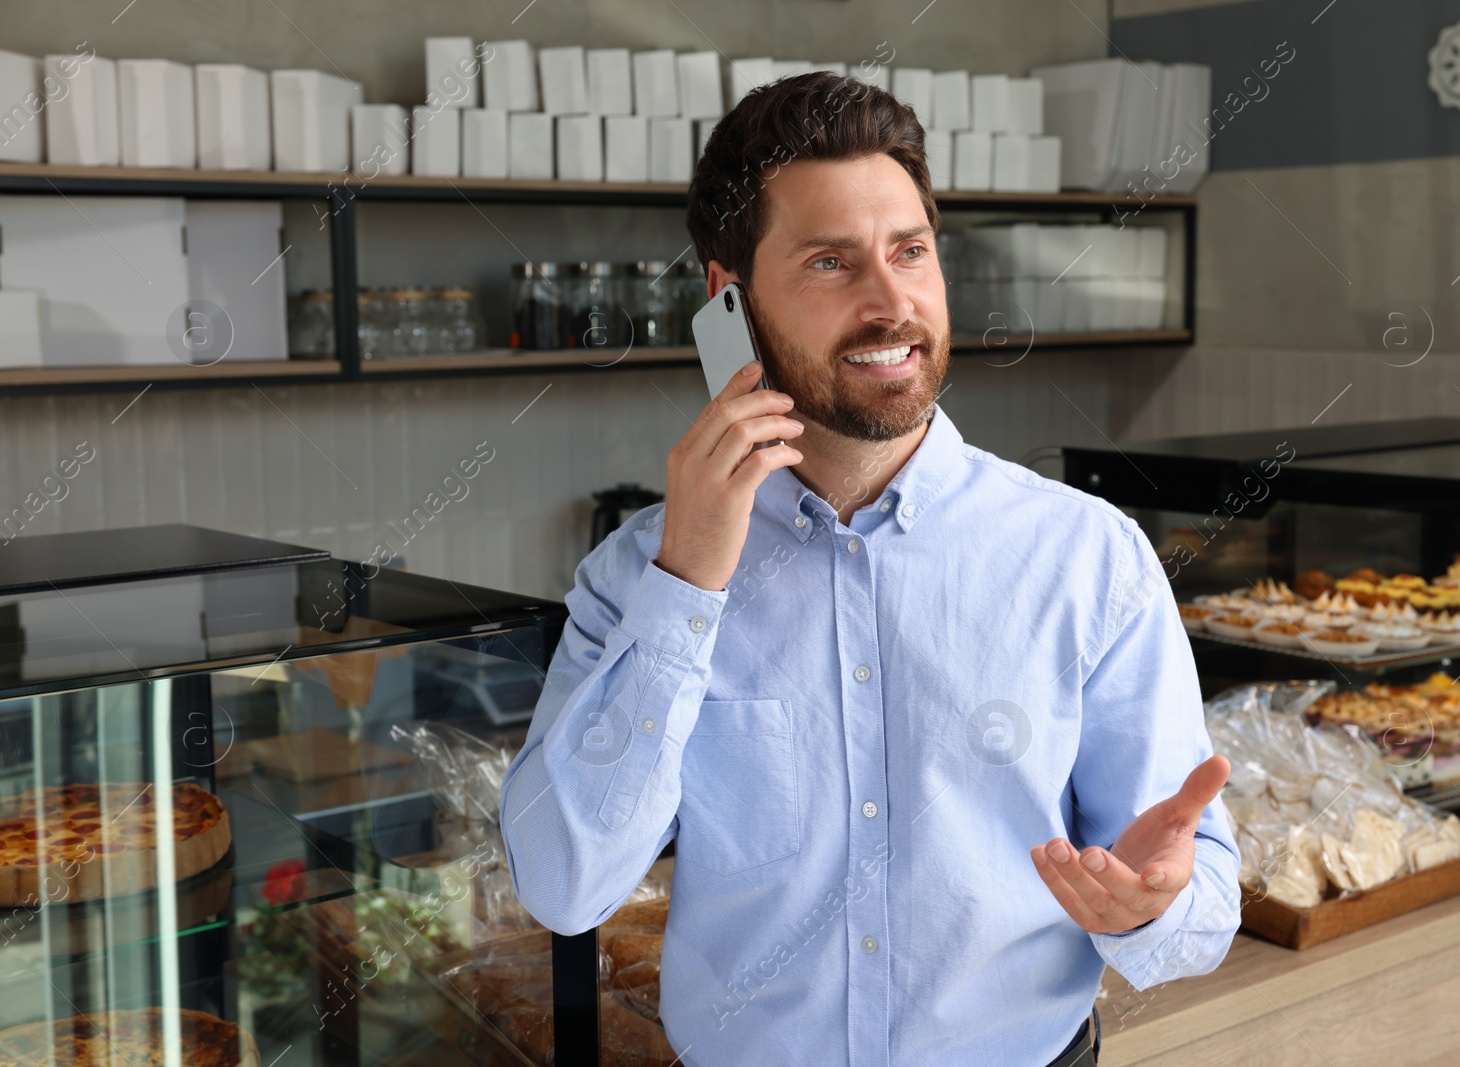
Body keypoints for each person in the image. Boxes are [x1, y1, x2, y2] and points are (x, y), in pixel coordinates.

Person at [500, 71, 1240, 1067]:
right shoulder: (637, 575)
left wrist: (1149, 906)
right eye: (829, 263)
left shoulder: (1086, 556)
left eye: (910, 252)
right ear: (731, 302)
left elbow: (1197, 920)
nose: (890, 303)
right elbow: (562, 884)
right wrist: (687, 587)